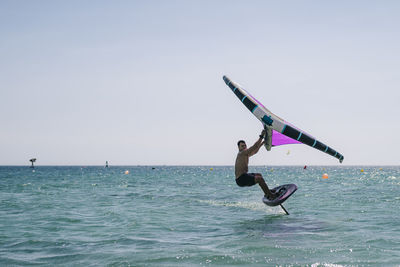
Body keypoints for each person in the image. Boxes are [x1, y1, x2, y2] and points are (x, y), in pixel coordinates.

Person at [235, 129, 276, 199]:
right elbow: (254, 147)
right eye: (242, 146)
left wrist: (262, 143)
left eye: (245, 146)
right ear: (238, 147)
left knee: (259, 175)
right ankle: (270, 195)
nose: (244, 147)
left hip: (244, 176)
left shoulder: (245, 154)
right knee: (259, 179)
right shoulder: (241, 153)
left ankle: (267, 192)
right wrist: (261, 136)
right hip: (240, 179)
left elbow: (254, 151)